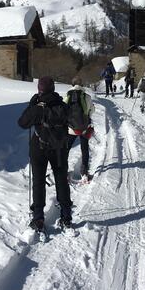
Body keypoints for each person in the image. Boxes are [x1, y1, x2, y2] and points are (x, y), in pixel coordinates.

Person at [18, 76, 73, 231]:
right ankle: (66, 216)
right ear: (53, 88)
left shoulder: (38, 107)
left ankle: (38, 218)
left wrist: (32, 105)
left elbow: (22, 123)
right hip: (60, 149)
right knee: (61, 180)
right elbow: (72, 121)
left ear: (39, 89)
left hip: (39, 148)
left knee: (39, 181)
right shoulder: (62, 105)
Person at [64, 77, 95, 182]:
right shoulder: (87, 97)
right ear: (82, 85)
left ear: (72, 85)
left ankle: (64, 172)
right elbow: (92, 110)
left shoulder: (67, 96)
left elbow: (63, 110)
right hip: (84, 128)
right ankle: (84, 172)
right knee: (84, 149)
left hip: (70, 128)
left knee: (66, 149)